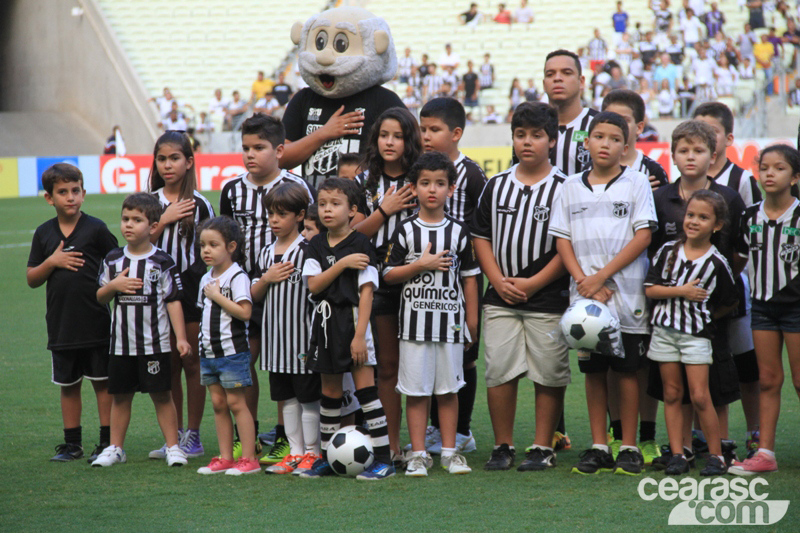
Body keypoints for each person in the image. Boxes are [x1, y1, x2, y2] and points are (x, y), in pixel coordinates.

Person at [550, 111, 656, 475]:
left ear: (625, 147)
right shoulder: (569, 186)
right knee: (594, 372)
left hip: (625, 296)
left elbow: (643, 235)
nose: (605, 144)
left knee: (627, 370)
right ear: (586, 141)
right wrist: (584, 280)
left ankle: (627, 444)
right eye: (599, 136)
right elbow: (562, 238)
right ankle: (598, 445)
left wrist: (601, 278)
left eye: (614, 139)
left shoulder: (637, 183)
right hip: (584, 300)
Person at [472, 103, 571, 471]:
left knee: (548, 372)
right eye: (520, 134)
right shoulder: (496, 185)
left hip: (547, 297)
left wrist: (534, 282)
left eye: (536, 135)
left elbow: (568, 247)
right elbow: (480, 236)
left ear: (552, 140)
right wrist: (497, 279)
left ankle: (542, 446)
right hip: (501, 296)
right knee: (499, 369)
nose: (527, 142)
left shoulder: (565, 188)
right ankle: (503, 445)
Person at [647, 120, 746, 471]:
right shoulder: (660, 202)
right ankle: (681, 451)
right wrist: (679, 294)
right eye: (683, 150)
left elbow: (734, 274)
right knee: (672, 392)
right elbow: (652, 278)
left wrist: (707, 315)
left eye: (698, 150)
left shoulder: (729, 199)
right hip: (665, 326)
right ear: (672, 155)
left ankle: (717, 452)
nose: (693, 221)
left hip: (702, 329)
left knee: (708, 391)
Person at [219, 114, 315, 465]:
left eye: (258, 148)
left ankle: (283, 438)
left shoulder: (298, 185)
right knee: (247, 363)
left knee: (284, 361)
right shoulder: (232, 189)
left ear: (279, 150)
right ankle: (252, 435)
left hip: (288, 291)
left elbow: (313, 231)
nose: (250, 155)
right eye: (245, 148)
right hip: (249, 290)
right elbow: (226, 239)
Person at [383, 152, 479, 476]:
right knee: (417, 391)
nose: (432, 190)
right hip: (413, 328)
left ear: (451, 188)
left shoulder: (460, 232)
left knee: (449, 391)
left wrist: (472, 321)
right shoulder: (406, 230)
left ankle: (450, 453)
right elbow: (387, 274)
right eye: (425, 183)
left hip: (450, 327)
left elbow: (469, 278)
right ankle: (419, 455)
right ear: (414, 188)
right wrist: (419, 266)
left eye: (440, 183)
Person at [299, 178, 394, 480]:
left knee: (367, 393)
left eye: (335, 204)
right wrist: (341, 265)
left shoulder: (362, 243)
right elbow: (314, 285)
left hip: (354, 323)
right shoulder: (314, 244)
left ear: (352, 210)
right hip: (326, 325)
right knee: (329, 393)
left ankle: (384, 460)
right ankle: (328, 457)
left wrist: (359, 336)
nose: (327, 210)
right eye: (323, 204)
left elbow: (367, 292)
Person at [27, 164, 118, 463]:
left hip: (95, 322)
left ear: (84, 193)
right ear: (49, 198)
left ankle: (107, 441)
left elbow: (116, 261)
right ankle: (72, 444)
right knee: (68, 386)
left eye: (75, 191)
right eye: (62, 192)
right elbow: (32, 278)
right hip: (62, 325)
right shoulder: (43, 234)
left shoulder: (96, 229)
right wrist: (52, 261)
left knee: (102, 382)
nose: (70, 197)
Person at [93, 193, 189, 468]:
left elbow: (173, 302)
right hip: (121, 346)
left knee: (162, 395)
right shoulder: (112, 260)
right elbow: (100, 296)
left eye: (137, 220)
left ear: (153, 227)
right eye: (125, 219)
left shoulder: (162, 262)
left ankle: (173, 447)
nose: (129, 225)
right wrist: (113, 287)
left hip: (154, 345)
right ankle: (115, 448)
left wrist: (180, 338)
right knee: (121, 397)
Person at [600, 89, 668, 463]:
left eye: (622, 120)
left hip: (641, 281)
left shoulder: (651, 173)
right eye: (606, 118)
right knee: (607, 357)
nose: (613, 126)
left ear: (638, 127)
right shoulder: (589, 168)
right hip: (599, 284)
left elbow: (658, 229)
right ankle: (614, 431)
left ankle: (645, 434)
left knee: (640, 361)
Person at [419, 98, 488, 454]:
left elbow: (485, 229)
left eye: (435, 130)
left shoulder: (473, 175)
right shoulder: (420, 169)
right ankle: (434, 428)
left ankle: (462, 430)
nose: (426, 136)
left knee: (464, 354)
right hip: (424, 280)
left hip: (464, 278)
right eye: (423, 129)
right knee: (429, 353)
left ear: (456, 133)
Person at [353, 107, 422, 464]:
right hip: (378, 283)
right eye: (384, 135)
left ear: (409, 139)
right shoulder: (363, 180)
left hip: (419, 280)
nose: (390, 142)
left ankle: (426, 444)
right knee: (389, 367)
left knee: (420, 363)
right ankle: (392, 445)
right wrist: (384, 209)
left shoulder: (422, 176)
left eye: (397, 136)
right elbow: (350, 234)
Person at [729, 145, 800, 476]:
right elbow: (739, 260)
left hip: (796, 308)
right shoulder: (749, 216)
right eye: (764, 168)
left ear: (795, 177)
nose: (769, 174)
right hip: (762, 307)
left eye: (780, 168)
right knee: (768, 379)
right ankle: (765, 453)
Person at [147, 131, 215, 461]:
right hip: (155, 291)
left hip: (189, 289)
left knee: (191, 360)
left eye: (175, 158)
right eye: (162, 159)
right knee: (168, 363)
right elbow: (136, 241)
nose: (168, 165)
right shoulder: (149, 201)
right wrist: (162, 220)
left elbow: (211, 249)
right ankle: (171, 437)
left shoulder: (199, 203)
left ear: (189, 162)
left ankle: (194, 435)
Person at [249, 184, 321, 476]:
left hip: (302, 341)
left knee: (308, 399)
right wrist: (266, 279)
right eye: (270, 213)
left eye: (282, 214)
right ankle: (294, 452)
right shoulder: (266, 253)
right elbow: (253, 294)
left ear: (300, 215)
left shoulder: (307, 251)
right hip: (275, 344)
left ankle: (313, 453)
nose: (274, 219)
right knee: (286, 399)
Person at [190, 216, 258, 475]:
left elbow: (244, 312)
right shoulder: (205, 277)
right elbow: (203, 314)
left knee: (237, 404)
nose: (206, 250)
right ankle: (226, 457)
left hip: (232, 353)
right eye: (202, 245)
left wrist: (217, 296)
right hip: (209, 354)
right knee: (218, 403)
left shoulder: (238, 276)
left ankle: (249, 458)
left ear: (231, 246)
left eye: (213, 245)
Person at [543, 50, 599, 179]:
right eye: (550, 74)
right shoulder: (531, 126)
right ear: (544, 85)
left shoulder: (600, 124)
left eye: (566, 73)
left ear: (581, 81)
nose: (557, 78)